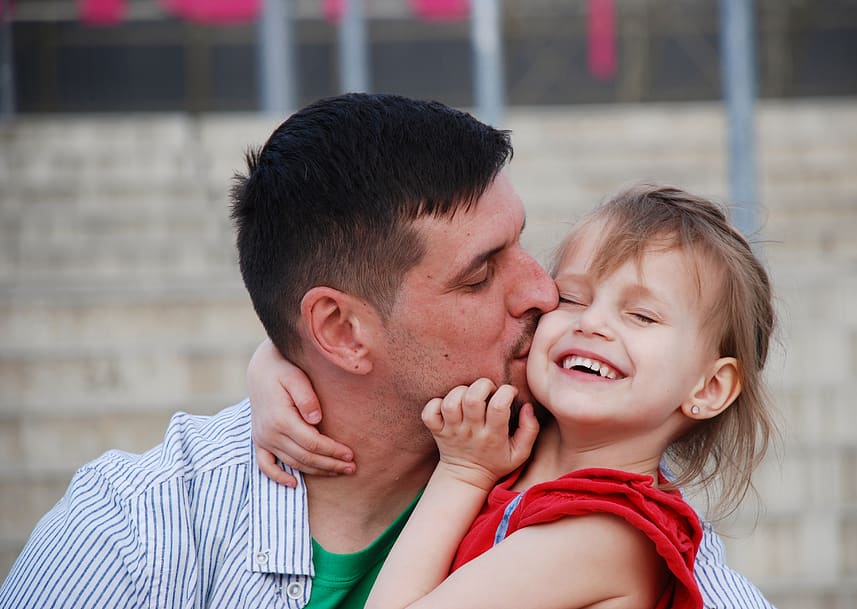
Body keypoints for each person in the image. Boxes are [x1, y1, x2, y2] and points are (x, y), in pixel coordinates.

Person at [0, 94, 775, 609]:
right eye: (482, 273)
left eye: (523, 245)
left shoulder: (562, 459)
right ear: (339, 333)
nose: (543, 294)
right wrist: (273, 366)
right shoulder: (136, 535)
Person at [249, 187, 779, 609]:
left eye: (641, 316)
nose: (592, 324)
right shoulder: (512, 434)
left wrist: (463, 473)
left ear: (709, 389)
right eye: (571, 297)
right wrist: (271, 365)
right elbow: (356, 349)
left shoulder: (608, 534)